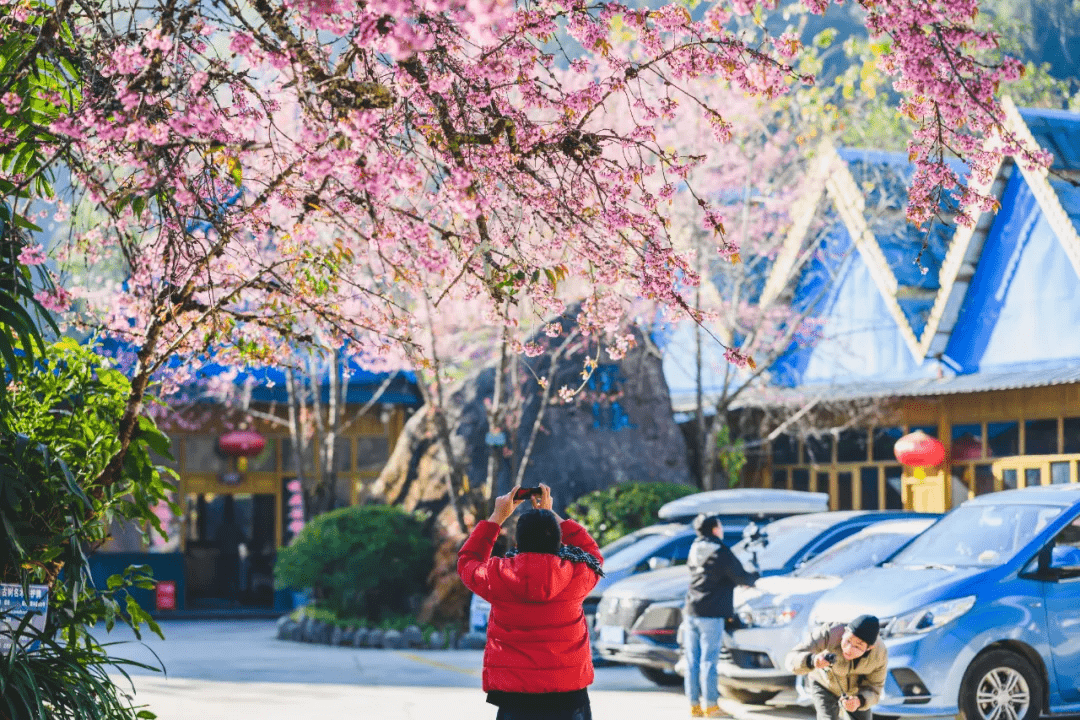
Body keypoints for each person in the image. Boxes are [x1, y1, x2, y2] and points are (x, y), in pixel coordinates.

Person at [458, 483, 604, 720]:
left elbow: (467, 561)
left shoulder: (497, 575)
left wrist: (497, 517)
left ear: (518, 543)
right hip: (569, 696)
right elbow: (593, 554)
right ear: (558, 541)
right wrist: (551, 514)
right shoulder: (578, 574)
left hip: (516, 699)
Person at [683, 514, 759, 718]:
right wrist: (755, 576)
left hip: (691, 609)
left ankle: (694, 706)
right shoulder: (721, 551)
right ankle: (711, 706)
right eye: (720, 526)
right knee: (709, 661)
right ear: (715, 530)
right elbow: (741, 577)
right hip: (712, 612)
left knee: (692, 661)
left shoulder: (694, 549)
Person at [784, 615, 888, 720]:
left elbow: (875, 688)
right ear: (845, 632)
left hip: (855, 691)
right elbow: (791, 659)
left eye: (857, 646)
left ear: (869, 648)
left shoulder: (879, 654)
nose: (849, 649)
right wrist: (812, 660)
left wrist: (859, 701)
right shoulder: (830, 632)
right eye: (848, 641)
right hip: (824, 683)